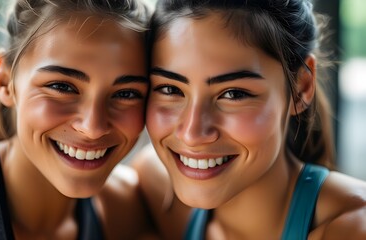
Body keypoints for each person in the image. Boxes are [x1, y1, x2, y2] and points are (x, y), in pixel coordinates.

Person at [132, 0, 366, 239]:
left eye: (234, 94)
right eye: (170, 89)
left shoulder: (353, 228)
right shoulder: (155, 186)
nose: (192, 134)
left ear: (301, 88)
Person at [0, 0, 154, 239]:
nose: (93, 128)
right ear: (5, 81)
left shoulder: (126, 211)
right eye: (62, 86)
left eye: (126, 94)